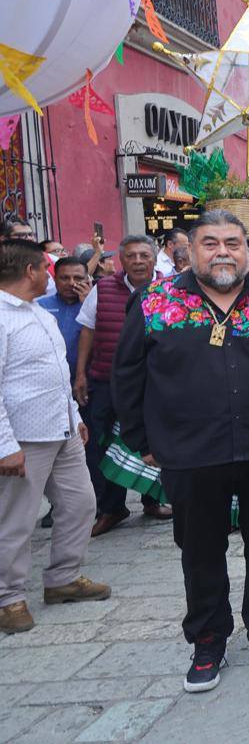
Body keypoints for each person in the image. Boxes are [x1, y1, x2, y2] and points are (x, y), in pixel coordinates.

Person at [113, 210, 249, 691]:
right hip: (190, 451)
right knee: (200, 550)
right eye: (210, 243)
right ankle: (208, 640)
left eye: (232, 243)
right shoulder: (155, 302)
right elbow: (127, 375)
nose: (223, 251)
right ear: (189, 250)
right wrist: (144, 441)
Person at [0, 239, 109, 634]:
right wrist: (4, 446)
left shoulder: (38, 312)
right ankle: (8, 598)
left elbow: (57, 374)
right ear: (29, 271)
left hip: (61, 429)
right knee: (17, 520)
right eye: (45, 269)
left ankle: (63, 577)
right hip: (22, 437)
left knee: (81, 504)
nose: (49, 275)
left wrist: (74, 414)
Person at [73, 234, 167, 535]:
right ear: (120, 260)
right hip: (106, 380)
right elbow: (87, 331)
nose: (138, 261)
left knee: (154, 441)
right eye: (131, 256)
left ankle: (152, 501)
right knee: (104, 443)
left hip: (155, 383)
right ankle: (113, 508)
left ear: (154, 258)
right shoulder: (102, 289)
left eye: (144, 255)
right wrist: (81, 374)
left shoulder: (171, 289)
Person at [37, 257, 91, 379]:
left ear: (87, 280)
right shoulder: (39, 306)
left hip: (88, 379)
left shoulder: (98, 306)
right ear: (55, 279)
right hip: (49, 378)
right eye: (64, 278)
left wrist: (89, 305)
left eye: (78, 278)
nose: (71, 283)